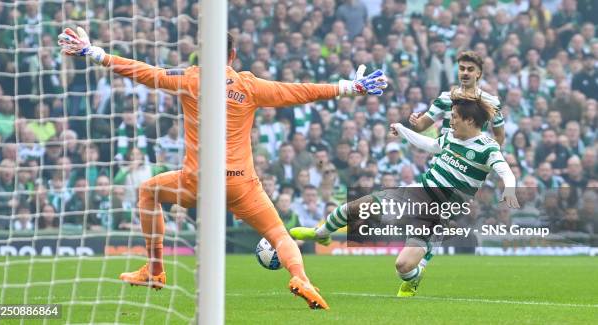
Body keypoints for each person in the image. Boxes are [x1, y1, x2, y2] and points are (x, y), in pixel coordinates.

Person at [58, 27, 387, 310]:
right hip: (242, 184)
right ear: (232, 55)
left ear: (203, 55)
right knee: (278, 234)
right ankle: (301, 278)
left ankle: (155, 270)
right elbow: (299, 91)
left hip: (197, 182)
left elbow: (144, 72)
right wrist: (348, 87)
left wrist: (95, 53)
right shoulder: (249, 85)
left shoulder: (191, 79)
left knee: (148, 191)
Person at [290, 93, 519, 297]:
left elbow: (505, 171)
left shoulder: (487, 148)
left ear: (469, 120)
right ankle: (320, 233)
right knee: (356, 207)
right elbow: (430, 145)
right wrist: (402, 130)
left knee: (403, 266)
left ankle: (416, 275)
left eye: (455, 116)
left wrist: (509, 187)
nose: (451, 120)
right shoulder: (451, 137)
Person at [409, 51, 505, 146]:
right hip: (446, 157)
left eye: (470, 69)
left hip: (471, 158)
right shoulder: (444, 98)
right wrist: (414, 121)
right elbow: (420, 126)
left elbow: (499, 136)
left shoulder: (492, 102)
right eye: (462, 69)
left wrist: (486, 155)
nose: (465, 73)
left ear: (478, 74)